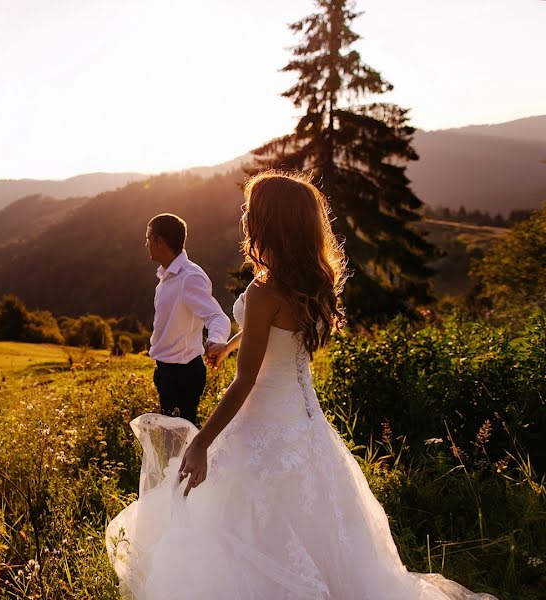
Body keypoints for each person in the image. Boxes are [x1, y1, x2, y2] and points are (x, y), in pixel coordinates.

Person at [107, 172, 497, 599]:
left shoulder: (263, 289)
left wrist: (202, 443)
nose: (244, 216)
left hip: (262, 416)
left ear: (270, 222)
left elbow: (245, 382)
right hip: (304, 416)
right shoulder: (311, 281)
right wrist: (232, 343)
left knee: (226, 514)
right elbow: (279, 334)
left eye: (250, 210)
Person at [145, 213, 231, 427]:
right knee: (172, 441)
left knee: (178, 443)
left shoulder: (189, 277)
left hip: (181, 375)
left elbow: (216, 315)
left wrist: (216, 340)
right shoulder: (167, 275)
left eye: (148, 238)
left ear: (160, 242)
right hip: (167, 372)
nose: (145, 243)